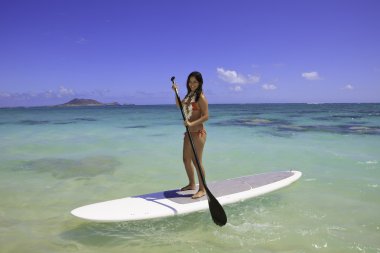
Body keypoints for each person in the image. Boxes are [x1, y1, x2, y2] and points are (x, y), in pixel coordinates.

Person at [172, 71, 209, 199]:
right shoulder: (189, 96)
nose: (192, 84)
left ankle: (202, 189)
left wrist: (191, 123)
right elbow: (179, 105)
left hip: (198, 134)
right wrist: (175, 92)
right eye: (190, 81)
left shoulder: (201, 97)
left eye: (195, 82)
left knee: (197, 161)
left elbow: (206, 116)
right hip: (188, 133)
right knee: (186, 160)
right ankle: (192, 184)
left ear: (200, 83)